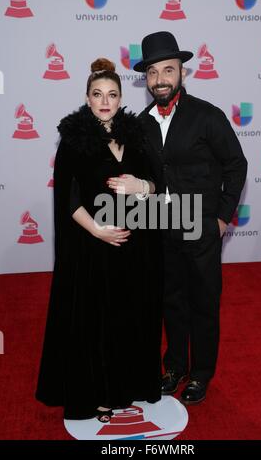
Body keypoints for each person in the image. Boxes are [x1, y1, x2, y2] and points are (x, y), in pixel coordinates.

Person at [36, 58, 163, 422]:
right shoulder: (74, 139)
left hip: (136, 248)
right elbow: (67, 199)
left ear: (122, 98)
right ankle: (98, 391)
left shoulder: (137, 135)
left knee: (129, 318)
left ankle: (129, 384)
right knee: (97, 322)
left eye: (112, 94)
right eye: (97, 94)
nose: (105, 101)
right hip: (93, 247)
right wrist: (97, 230)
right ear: (87, 98)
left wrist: (144, 186)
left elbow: (157, 185)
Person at [134, 32, 248, 405]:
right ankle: (176, 366)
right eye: (153, 72)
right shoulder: (141, 123)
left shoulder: (207, 116)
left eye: (168, 70)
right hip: (161, 227)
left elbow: (236, 164)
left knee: (203, 301)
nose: (161, 79)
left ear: (182, 72)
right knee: (172, 301)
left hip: (201, 227)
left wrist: (222, 217)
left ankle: (201, 373)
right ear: (146, 79)